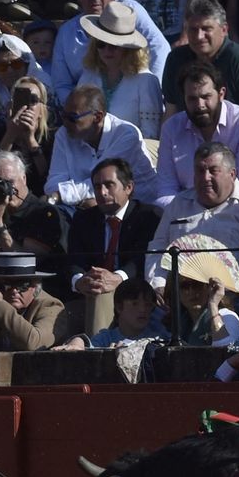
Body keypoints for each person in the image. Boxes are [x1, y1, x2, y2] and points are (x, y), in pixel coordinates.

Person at [147, 142, 239, 294]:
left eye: (213, 171)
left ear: (232, 174)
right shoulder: (178, 204)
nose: (205, 177)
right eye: (200, 170)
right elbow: (158, 246)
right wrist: (158, 284)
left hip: (235, 297)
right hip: (181, 294)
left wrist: (225, 292)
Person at [51, 0, 172, 103]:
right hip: (86, 109)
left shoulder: (131, 12)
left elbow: (160, 47)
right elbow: (61, 84)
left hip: (135, 100)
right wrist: (78, 112)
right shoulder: (66, 33)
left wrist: (152, 90)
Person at [151, 63, 239, 207]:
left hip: (237, 213)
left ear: (221, 94)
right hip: (184, 213)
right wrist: (189, 214)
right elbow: (165, 189)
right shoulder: (171, 128)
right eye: (192, 99)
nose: (200, 105)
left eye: (206, 96)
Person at [65, 159, 163, 334]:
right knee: (97, 289)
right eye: (96, 187)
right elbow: (74, 259)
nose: (102, 192)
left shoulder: (149, 216)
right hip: (91, 292)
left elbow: (143, 258)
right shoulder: (83, 219)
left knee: (101, 291)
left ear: (129, 187)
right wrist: (79, 280)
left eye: (109, 185)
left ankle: (97, 352)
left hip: (135, 291)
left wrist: (117, 278)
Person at [159, 0, 239, 122]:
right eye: (193, 29)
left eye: (206, 28)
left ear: (224, 30)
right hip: (187, 135)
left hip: (235, 136)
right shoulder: (176, 59)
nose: (199, 36)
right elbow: (171, 114)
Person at [46, 85, 156, 209]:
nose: (65, 123)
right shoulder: (64, 134)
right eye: (63, 116)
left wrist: (60, 195)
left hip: (139, 208)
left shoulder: (126, 135)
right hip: (82, 206)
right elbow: (53, 183)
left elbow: (103, 181)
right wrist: (74, 199)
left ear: (97, 117)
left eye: (72, 118)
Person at [76, 2, 165, 138]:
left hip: (132, 155)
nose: (107, 50)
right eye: (101, 44)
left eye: (113, 45)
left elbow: (150, 135)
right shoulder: (89, 75)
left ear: (129, 49)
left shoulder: (146, 81)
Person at [0, 151, 67, 264]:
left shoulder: (43, 213)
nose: (4, 189)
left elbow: (26, 265)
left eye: (10, 182)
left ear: (24, 178)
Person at [55, 277, 170, 348]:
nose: (143, 310)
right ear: (119, 307)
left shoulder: (159, 338)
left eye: (148, 305)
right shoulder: (106, 338)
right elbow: (90, 348)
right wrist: (78, 341)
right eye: (135, 303)